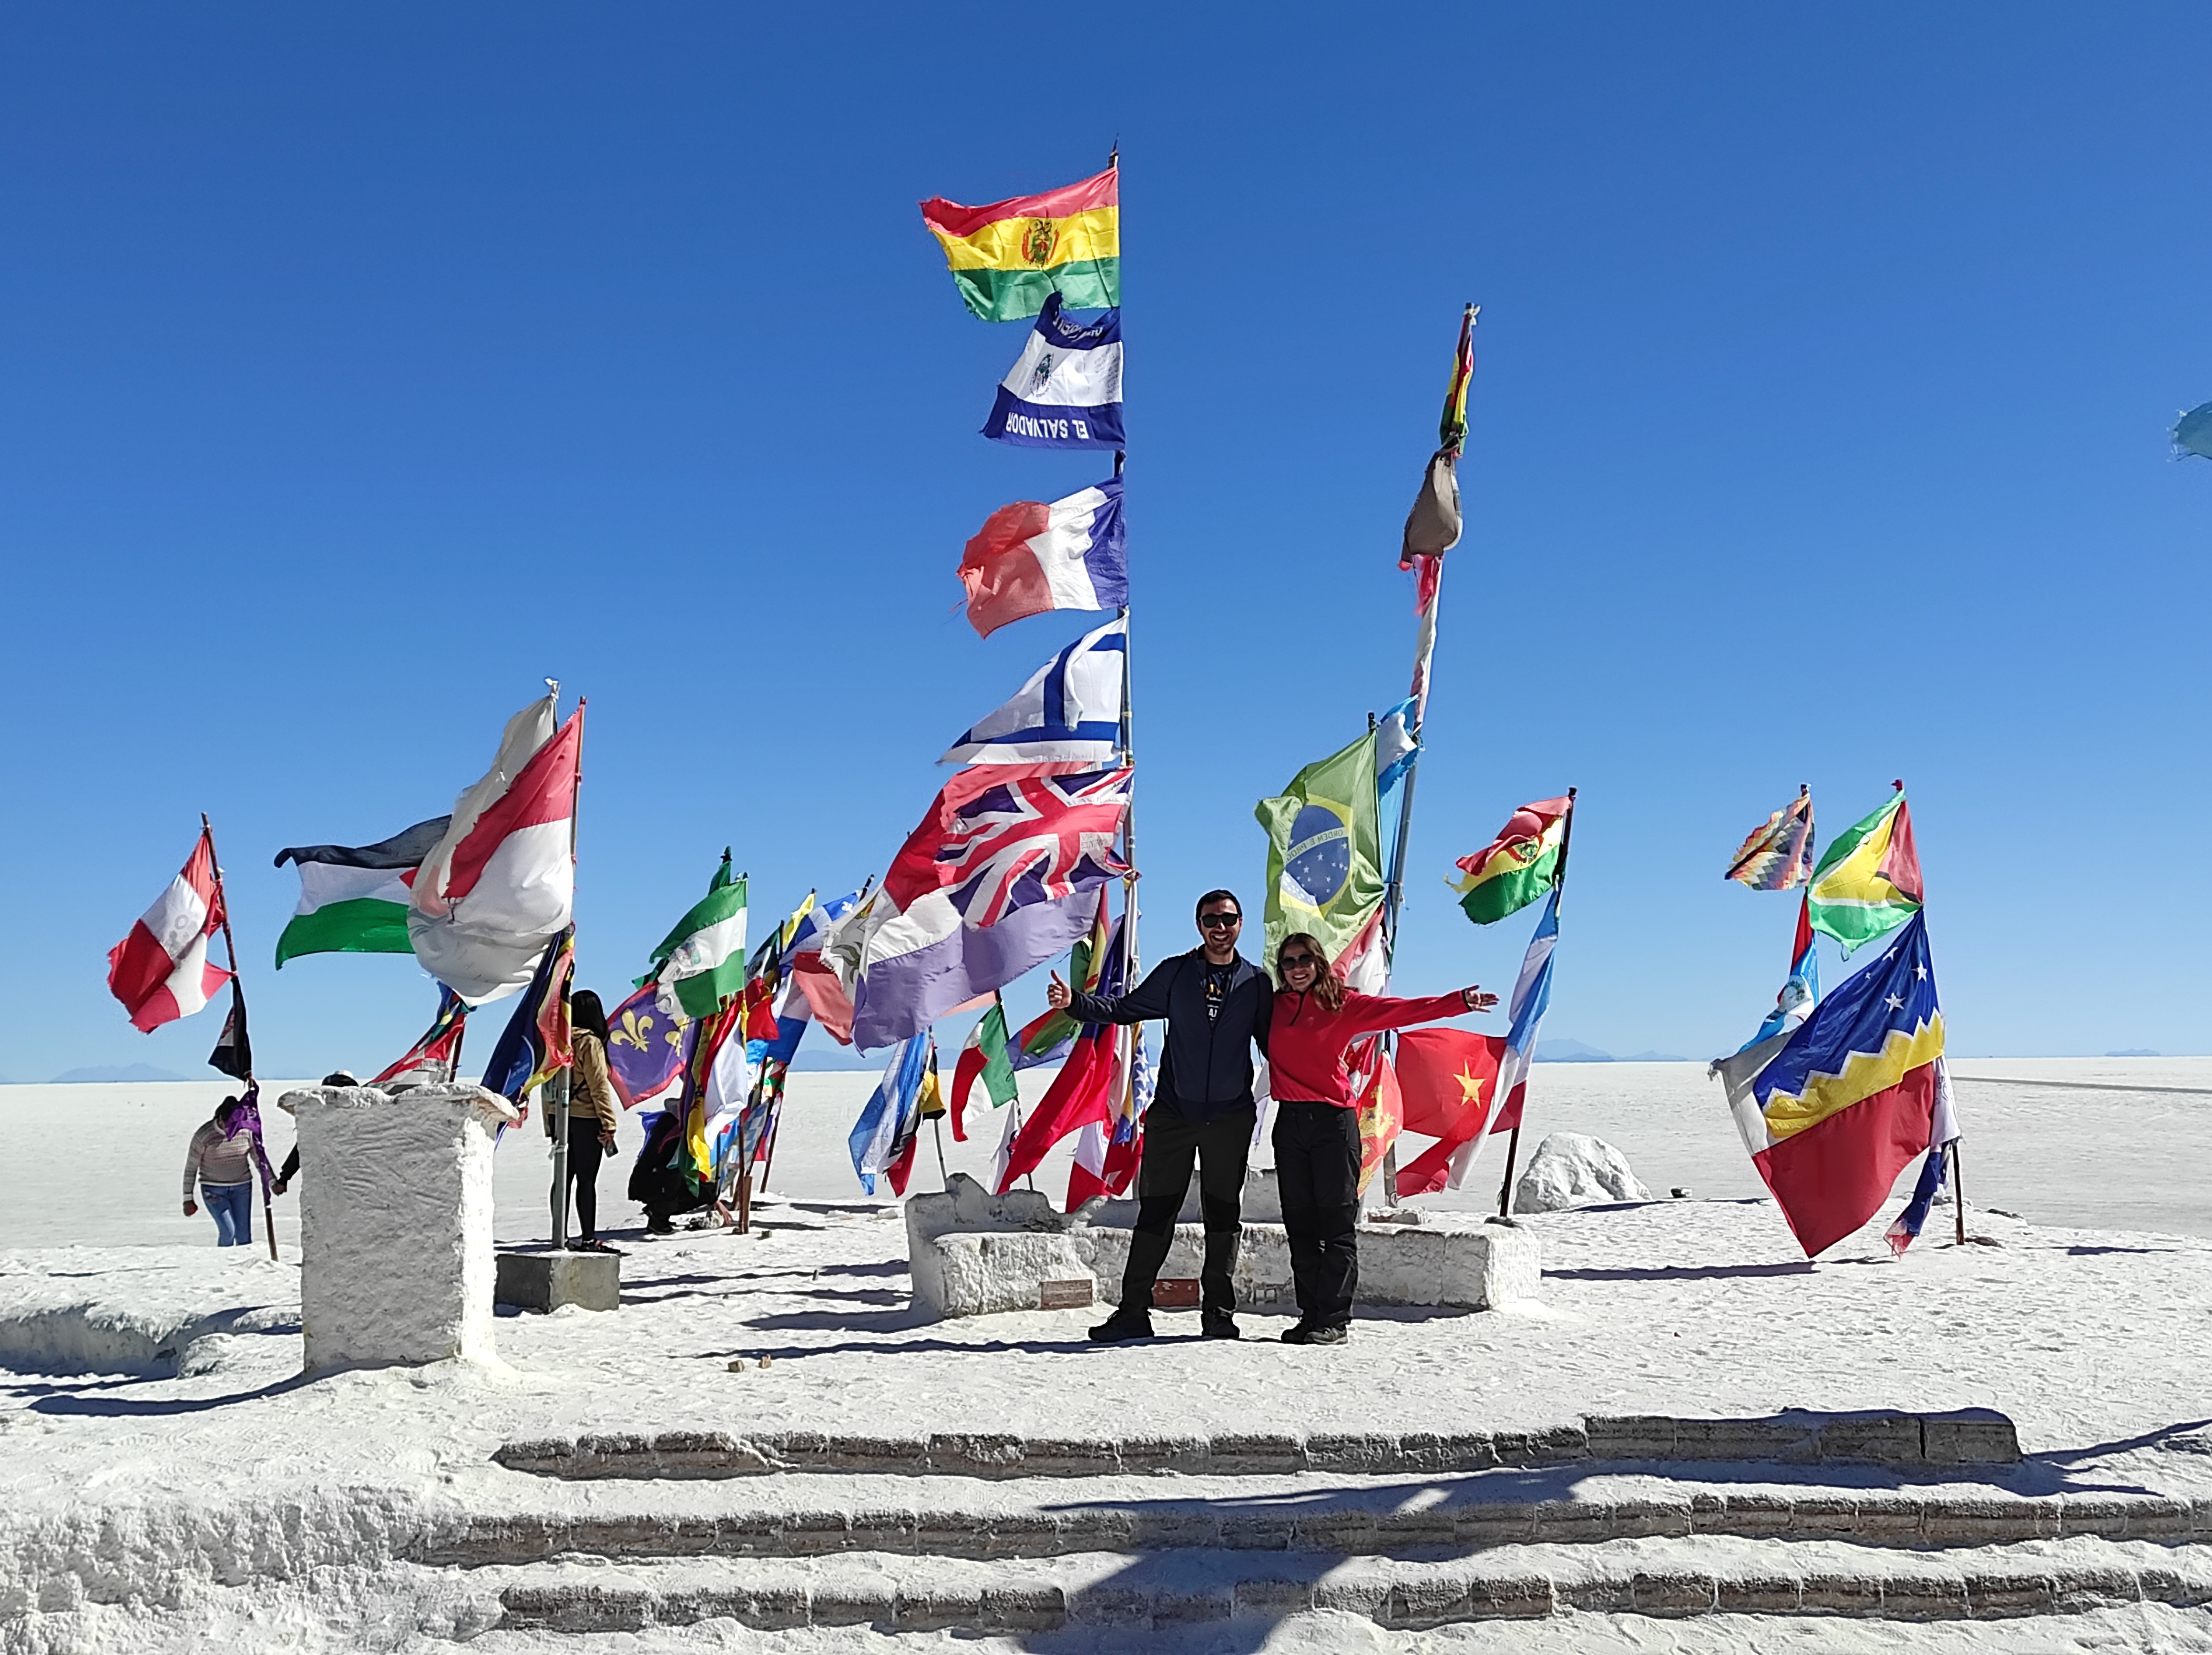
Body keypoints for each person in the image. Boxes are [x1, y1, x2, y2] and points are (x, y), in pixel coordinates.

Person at [1049, 889, 1273, 1343]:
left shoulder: (1257, 983)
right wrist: (1075, 1002)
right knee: (1156, 1214)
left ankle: (1219, 1315)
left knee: (1224, 1217)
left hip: (1230, 1117)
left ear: (1241, 924)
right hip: (1174, 1115)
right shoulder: (1176, 973)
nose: (1220, 927)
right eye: (1211, 918)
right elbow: (1124, 1008)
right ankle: (1133, 1312)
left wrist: (1329, 1056)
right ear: (1198, 924)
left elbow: (1277, 1046)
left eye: (1228, 919)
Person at [1264, 932, 1497, 1345]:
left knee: (1335, 1225)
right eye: (1288, 962)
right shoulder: (1273, 1008)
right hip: (1290, 1123)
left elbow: (1402, 1011)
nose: (1297, 968)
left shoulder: (1343, 1004)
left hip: (1333, 1124)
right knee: (1300, 1223)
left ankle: (1334, 1320)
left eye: (1304, 960)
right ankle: (1310, 1314)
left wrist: (1458, 1002)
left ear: (1318, 963)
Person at [563, 990, 621, 1248]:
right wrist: (608, 1123)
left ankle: (560, 1235)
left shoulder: (559, 1040)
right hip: (587, 1118)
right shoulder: (590, 1043)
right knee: (586, 1180)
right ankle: (588, 1236)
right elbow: (598, 1085)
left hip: (562, 1118)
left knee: (563, 1179)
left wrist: (550, 1120)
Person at [183, 1093, 262, 1246]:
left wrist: (271, 1181)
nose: (231, 1128)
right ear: (220, 1119)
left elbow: (259, 1159)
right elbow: (191, 1168)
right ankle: (224, 1264)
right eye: (228, 1124)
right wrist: (188, 1198)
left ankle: (244, 1268)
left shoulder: (246, 1132)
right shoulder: (205, 1135)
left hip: (242, 1188)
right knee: (228, 1231)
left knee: (244, 1235)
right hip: (214, 1190)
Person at [272, 1071, 358, 1195]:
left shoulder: (317, 1120)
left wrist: (283, 1179)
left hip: (325, 1180)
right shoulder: (360, 1117)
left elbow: (299, 1151)